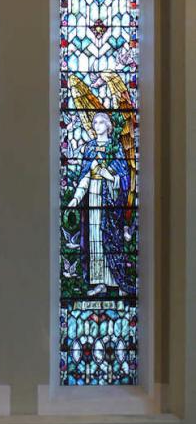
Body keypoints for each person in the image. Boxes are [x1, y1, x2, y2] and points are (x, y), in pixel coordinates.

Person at [68, 111, 135, 297]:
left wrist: (108, 175)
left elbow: (124, 179)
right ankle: (99, 282)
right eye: (94, 122)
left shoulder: (115, 147)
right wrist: (76, 198)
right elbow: (85, 177)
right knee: (95, 239)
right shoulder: (89, 148)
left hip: (111, 202)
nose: (96, 126)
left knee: (112, 238)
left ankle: (116, 280)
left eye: (100, 122)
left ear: (108, 126)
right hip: (93, 197)